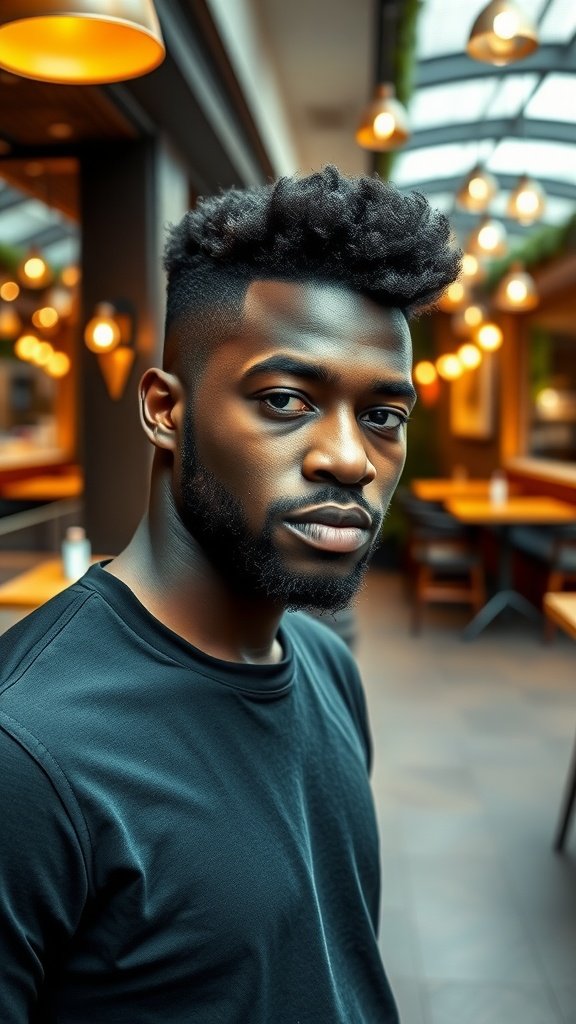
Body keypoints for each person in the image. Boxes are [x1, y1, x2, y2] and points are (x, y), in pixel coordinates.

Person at [0, 165, 460, 1022]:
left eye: (383, 417)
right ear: (165, 410)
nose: (351, 460)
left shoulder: (326, 666)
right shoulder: (27, 751)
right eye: (286, 400)